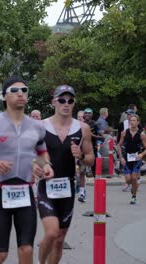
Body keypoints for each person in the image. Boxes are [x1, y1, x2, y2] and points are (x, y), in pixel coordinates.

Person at [0, 76, 54, 264]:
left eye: (24, 90)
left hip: (25, 191)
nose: (20, 93)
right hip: (0, 191)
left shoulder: (37, 126)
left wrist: (44, 165)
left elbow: (42, 153)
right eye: (14, 91)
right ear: (4, 97)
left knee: (26, 248)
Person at [37, 85, 94, 264]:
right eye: (62, 100)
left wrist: (81, 156)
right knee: (52, 232)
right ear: (54, 102)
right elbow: (31, 154)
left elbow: (91, 158)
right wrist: (37, 165)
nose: (66, 104)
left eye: (70, 100)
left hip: (68, 187)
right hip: (47, 185)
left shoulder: (83, 128)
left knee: (60, 238)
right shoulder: (41, 126)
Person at [117, 114, 146, 205]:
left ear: (138, 122)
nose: (132, 122)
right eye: (131, 120)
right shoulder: (124, 132)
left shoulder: (141, 134)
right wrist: (121, 157)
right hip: (126, 158)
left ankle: (134, 196)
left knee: (133, 177)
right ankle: (134, 186)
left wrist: (141, 154)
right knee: (128, 180)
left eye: (134, 120)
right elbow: (118, 145)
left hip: (137, 158)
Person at [78, 108, 102, 203]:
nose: (87, 114)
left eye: (89, 113)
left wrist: (91, 135)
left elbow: (102, 137)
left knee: (95, 173)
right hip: (82, 151)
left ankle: (99, 193)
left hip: (93, 151)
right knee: (82, 172)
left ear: (92, 115)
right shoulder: (80, 124)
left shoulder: (95, 124)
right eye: (86, 113)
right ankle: (82, 193)